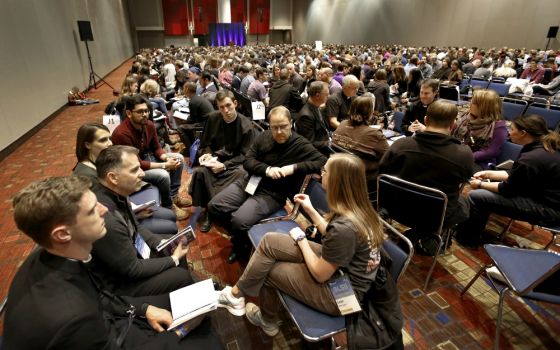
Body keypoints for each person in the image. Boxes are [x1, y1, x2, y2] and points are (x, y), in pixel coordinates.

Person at [4, 176, 221, 349]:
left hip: (109, 319)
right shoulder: (73, 318)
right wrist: (178, 333)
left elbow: (99, 295)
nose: (104, 210)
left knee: (191, 303)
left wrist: (143, 309)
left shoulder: (55, 255)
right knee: (207, 339)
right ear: (62, 234)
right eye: (91, 210)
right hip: (105, 332)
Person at [215, 153, 390, 343]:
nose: (320, 174)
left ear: (337, 180)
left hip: (345, 296)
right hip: (340, 268)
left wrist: (302, 240)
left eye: (325, 171)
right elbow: (331, 233)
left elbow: (320, 274)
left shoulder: (345, 227)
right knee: (270, 241)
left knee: (269, 270)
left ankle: (268, 321)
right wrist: (310, 210)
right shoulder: (358, 208)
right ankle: (236, 295)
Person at [208, 106, 326, 263]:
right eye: (274, 127)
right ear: (269, 125)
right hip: (251, 182)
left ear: (291, 123)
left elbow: (321, 161)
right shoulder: (264, 136)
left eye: (283, 126)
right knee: (214, 206)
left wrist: (293, 168)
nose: (278, 132)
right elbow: (248, 161)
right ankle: (239, 233)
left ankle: (240, 247)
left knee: (238, 221)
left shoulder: (300, 144)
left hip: (272, 194)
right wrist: (267, 169)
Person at [90, 145, 193, 296]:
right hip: (120, 285)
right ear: (113, 177)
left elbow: (135, 227)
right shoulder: (106, 219)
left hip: (133, 252)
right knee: (180, 276)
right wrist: (172, 259)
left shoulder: (118, 191)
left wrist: (160, 244)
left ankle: (186, 289)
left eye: (139, 168)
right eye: (134, 170)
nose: (142, 174)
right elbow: (131, 269)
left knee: (172, 244)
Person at [380, 100, 474, 255]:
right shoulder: (463, 154)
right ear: (453, 125)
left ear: (425, 120)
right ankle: (430, 237)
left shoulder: (400, 145)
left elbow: (382, 171)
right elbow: (465, 178)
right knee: (463, 202)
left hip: (396, 208)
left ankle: (423, 236)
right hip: (435, 217)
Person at [455, 115, 560, 248]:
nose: (509, 132)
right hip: (543, 195)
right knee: (486, 188)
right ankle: (474, 231)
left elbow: (508, 189)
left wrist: (480, 184)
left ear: (523, 133)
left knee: (476, 196)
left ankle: (468, 239)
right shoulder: (542, 146)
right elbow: (518, 175)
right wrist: (488, 173)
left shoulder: (532, 158)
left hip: (549, 209)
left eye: (512, 129)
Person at [73, 123, 178, 236]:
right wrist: (136, 215)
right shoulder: (87, 177)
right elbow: (107, 214)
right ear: (88, 144)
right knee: (171, 227)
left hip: (128, 209)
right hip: (121, 222)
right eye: (103, 140)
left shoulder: (99, 161)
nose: (110, 143)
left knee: (171, 215)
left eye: (109, 138)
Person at [112, 94, 190, 220]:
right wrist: (164, 165)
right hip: (132, 169)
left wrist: (166, 158)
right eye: (140, 111)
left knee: (178, 158)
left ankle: (174, 195)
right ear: (129, 113)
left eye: (146, 111)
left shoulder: (149, 124)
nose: (145, 114)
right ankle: (168, 205)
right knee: (163, 175)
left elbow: (156, 147)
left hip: (146, 158)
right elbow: (137, 164)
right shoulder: (122, 133)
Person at [189, 90, 254, 233]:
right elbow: (205, 144)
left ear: (235, 104)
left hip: (234, 164)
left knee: (241, 174)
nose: (226, 110)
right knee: (200, 171)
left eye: (228, 105)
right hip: (215, 159)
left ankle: (225, 210)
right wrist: (206, 155)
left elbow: (245, 155)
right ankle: (208, 210)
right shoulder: (213, 118)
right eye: (221, 107)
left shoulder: (246, 125)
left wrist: (224, 166)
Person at [332, 96, 389, 193]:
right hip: (361, 181)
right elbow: (389, 158)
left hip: (339, 175)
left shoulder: (342, 124)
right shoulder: (375, 134)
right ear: (370, 112)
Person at [452, 89, 508, 171]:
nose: (469, 104)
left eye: (473, 103)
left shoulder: (498, 127)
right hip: (459, 153)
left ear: (484, 107)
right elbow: (452, 134)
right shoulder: (465, 117)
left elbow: (489, 152)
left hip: (480, 162)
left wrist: (463, 156)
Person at [295, 81, 332, 155]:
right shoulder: (305, 116)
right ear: (317, 95)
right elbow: (309, 143)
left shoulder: (316, 106)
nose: (329, 96)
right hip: (320, 152)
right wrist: (330, 143)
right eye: (327, 94)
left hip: (326, 139)